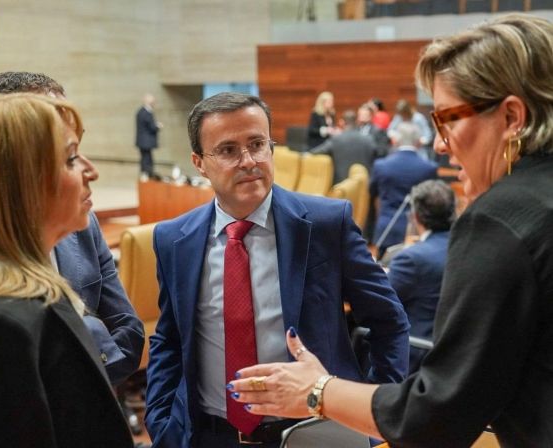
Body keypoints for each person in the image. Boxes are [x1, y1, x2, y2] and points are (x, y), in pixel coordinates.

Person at [229, 13, 553, 447]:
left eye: (448, 119)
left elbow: (436, 419)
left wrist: (317, 390)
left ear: (512, 116)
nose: (439, 143)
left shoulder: (499, 218)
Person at [145, 92, 410, 448]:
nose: (248, 161)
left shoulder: (327, 224)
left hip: (315, 433)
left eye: (257, 144)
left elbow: (388, 320)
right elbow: (169, 338)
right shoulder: (174, 240)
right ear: (199, 163)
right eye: (228, 150)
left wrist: (373, 415)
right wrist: (161, 420)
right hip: (210, 434)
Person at [0, 93, 133, 447]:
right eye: (71, 158)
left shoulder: (34, 288)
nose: (92, 172)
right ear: (21, 184)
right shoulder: (0, 322)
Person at [0, 71, 145, 387]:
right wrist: (90, 332)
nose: (89, 170)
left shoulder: (83, 223)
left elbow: (130, 335)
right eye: (67, 156)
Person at [387, 179, 455, 373]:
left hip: (414, 353)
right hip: (450, 353)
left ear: (415, 216)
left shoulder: (411, 258)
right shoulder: (464, 246)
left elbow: (378, 304)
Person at [370, 121, 437, 258]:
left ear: (395, 141)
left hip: (386, 228)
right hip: (417, 232)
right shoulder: (429, 168)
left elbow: (373, 194)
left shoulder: (381, 166)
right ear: (418, 142)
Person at [309, 109, 379, 184]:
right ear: (357, 121)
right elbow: (379, 155)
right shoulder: (368, 140)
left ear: (342, 122)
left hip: (341, 185)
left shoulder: (336, 140)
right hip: (364, 185)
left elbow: (314, 152)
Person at [135, 93, 162, 180]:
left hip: (142, 141)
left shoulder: (140, 111)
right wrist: (158, 126)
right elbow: (151, 127)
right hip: (146, 141)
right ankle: (147, 175)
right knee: (146, 159)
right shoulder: (146, 112)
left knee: (146, 158)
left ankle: (147, 174)